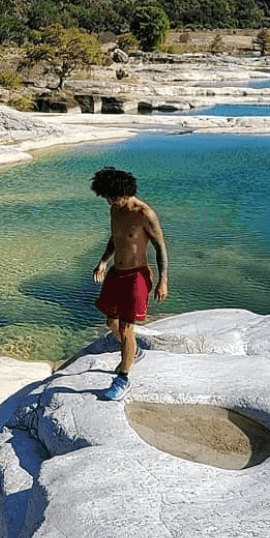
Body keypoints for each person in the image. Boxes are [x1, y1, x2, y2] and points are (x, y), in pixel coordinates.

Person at [90, 167, 168, 401]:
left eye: (112, 197)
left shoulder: (145, 214)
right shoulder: (115, 209)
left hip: (137, 276)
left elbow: (160, 248)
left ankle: (123, 379)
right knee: (111, 322)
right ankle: (134, 351)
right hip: (117, 273)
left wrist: (163, 280)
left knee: (126, 329)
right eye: (106, 198)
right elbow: (115, 238)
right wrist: (103, 261)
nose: (109, 202)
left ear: (125, 193)